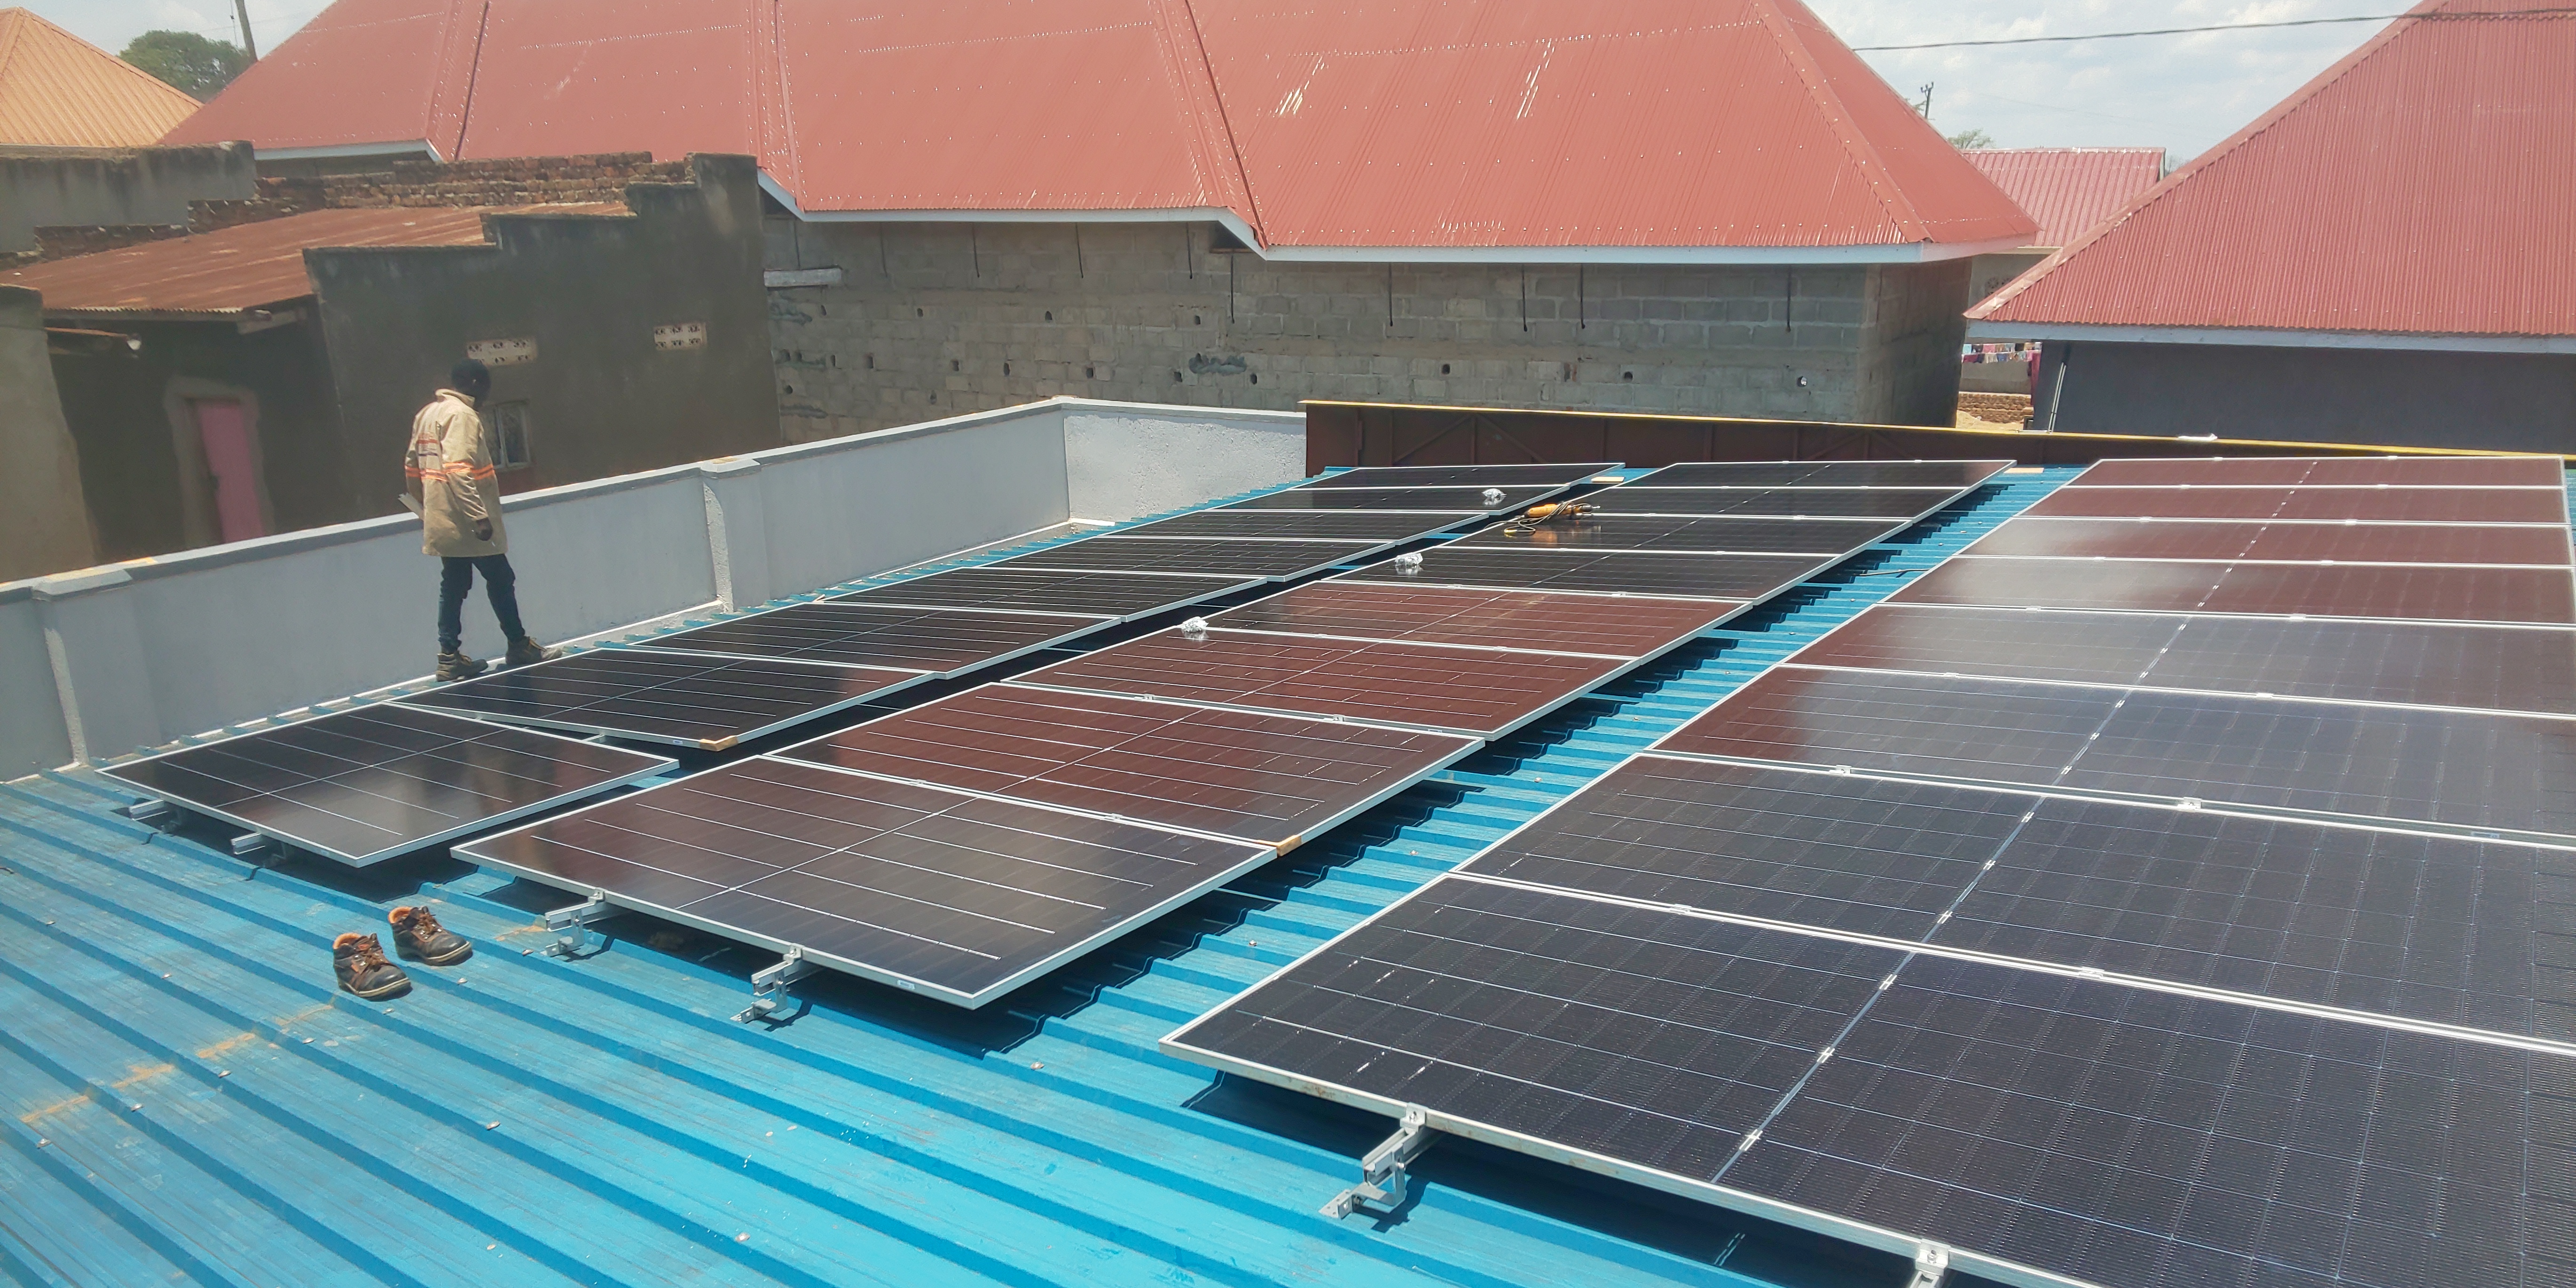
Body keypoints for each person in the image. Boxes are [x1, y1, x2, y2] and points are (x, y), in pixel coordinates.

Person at [406, 359, 560, 680]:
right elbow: (458, 469)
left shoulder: (427, 414)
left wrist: (427, 508)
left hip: (443, 519)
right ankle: (519, 645)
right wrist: (479, 516)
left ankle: (448, 657)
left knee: (454, 585)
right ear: (476, 384)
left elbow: (411, 466)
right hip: (468, 521)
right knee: (501, 578)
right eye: (487, 387)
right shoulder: (462, 415)